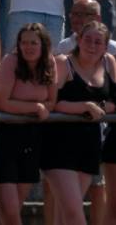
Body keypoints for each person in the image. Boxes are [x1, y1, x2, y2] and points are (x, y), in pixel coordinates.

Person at [42, 21, 116, 225]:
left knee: (64, 217)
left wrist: (100, 106)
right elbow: (51, 102)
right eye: (88, 39)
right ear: (78, 40)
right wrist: (84, 106)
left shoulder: (109, 63)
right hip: (58, 146)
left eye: (98, 42)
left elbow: (114, 101)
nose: (92, 45)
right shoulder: (62, 63)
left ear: (105, 46)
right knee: (75, 215)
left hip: (89, 146)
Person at [0, 23, 56, 224]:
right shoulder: (10, 61)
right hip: (6, 137)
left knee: (13, 210)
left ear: (43, 44)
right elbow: (0, 103)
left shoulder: (49, 63)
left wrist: (39, 107)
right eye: (24, 42)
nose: (28, 47)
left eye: (33, 43)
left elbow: (52, 102)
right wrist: (35, 107)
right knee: (10, 210)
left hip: (32, 138)